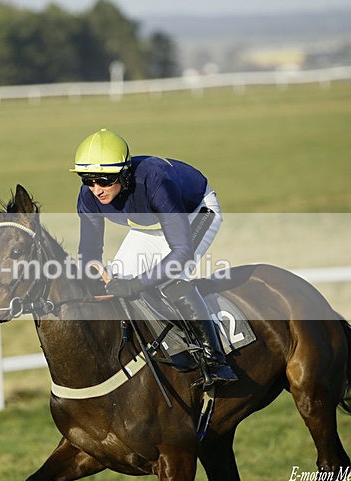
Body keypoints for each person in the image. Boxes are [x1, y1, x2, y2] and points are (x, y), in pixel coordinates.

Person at [73, 128, 238, 387]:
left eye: (104, 180)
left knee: (169, 279)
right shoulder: (88, 198)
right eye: (88, 180)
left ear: (124, 174)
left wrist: (136, 284)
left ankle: (216, 361)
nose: (96, 189)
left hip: (195, 212)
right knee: (118, 278)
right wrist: (95, 276)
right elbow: (90, 254)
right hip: (149, 226)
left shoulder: (155, 179)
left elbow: (181, 253)